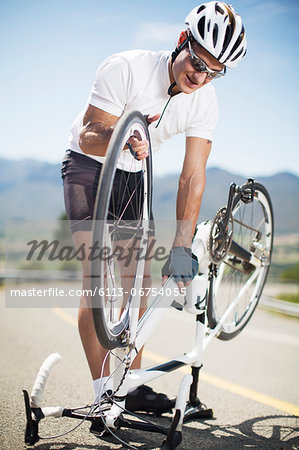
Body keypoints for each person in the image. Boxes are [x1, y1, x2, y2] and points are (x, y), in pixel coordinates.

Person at [62, 0, 247, 423]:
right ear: (182, 41)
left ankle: (130, 387)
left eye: (213, 71)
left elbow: (192, 178)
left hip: (135, 176)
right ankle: (101, 397)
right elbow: (90, 133)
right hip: (90, 165)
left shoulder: (204, 101)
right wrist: (123, 133)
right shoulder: (127, 67)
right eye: (198, 61)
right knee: (100, 277)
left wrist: (182, 246)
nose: (199, 76)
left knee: (139, 284)